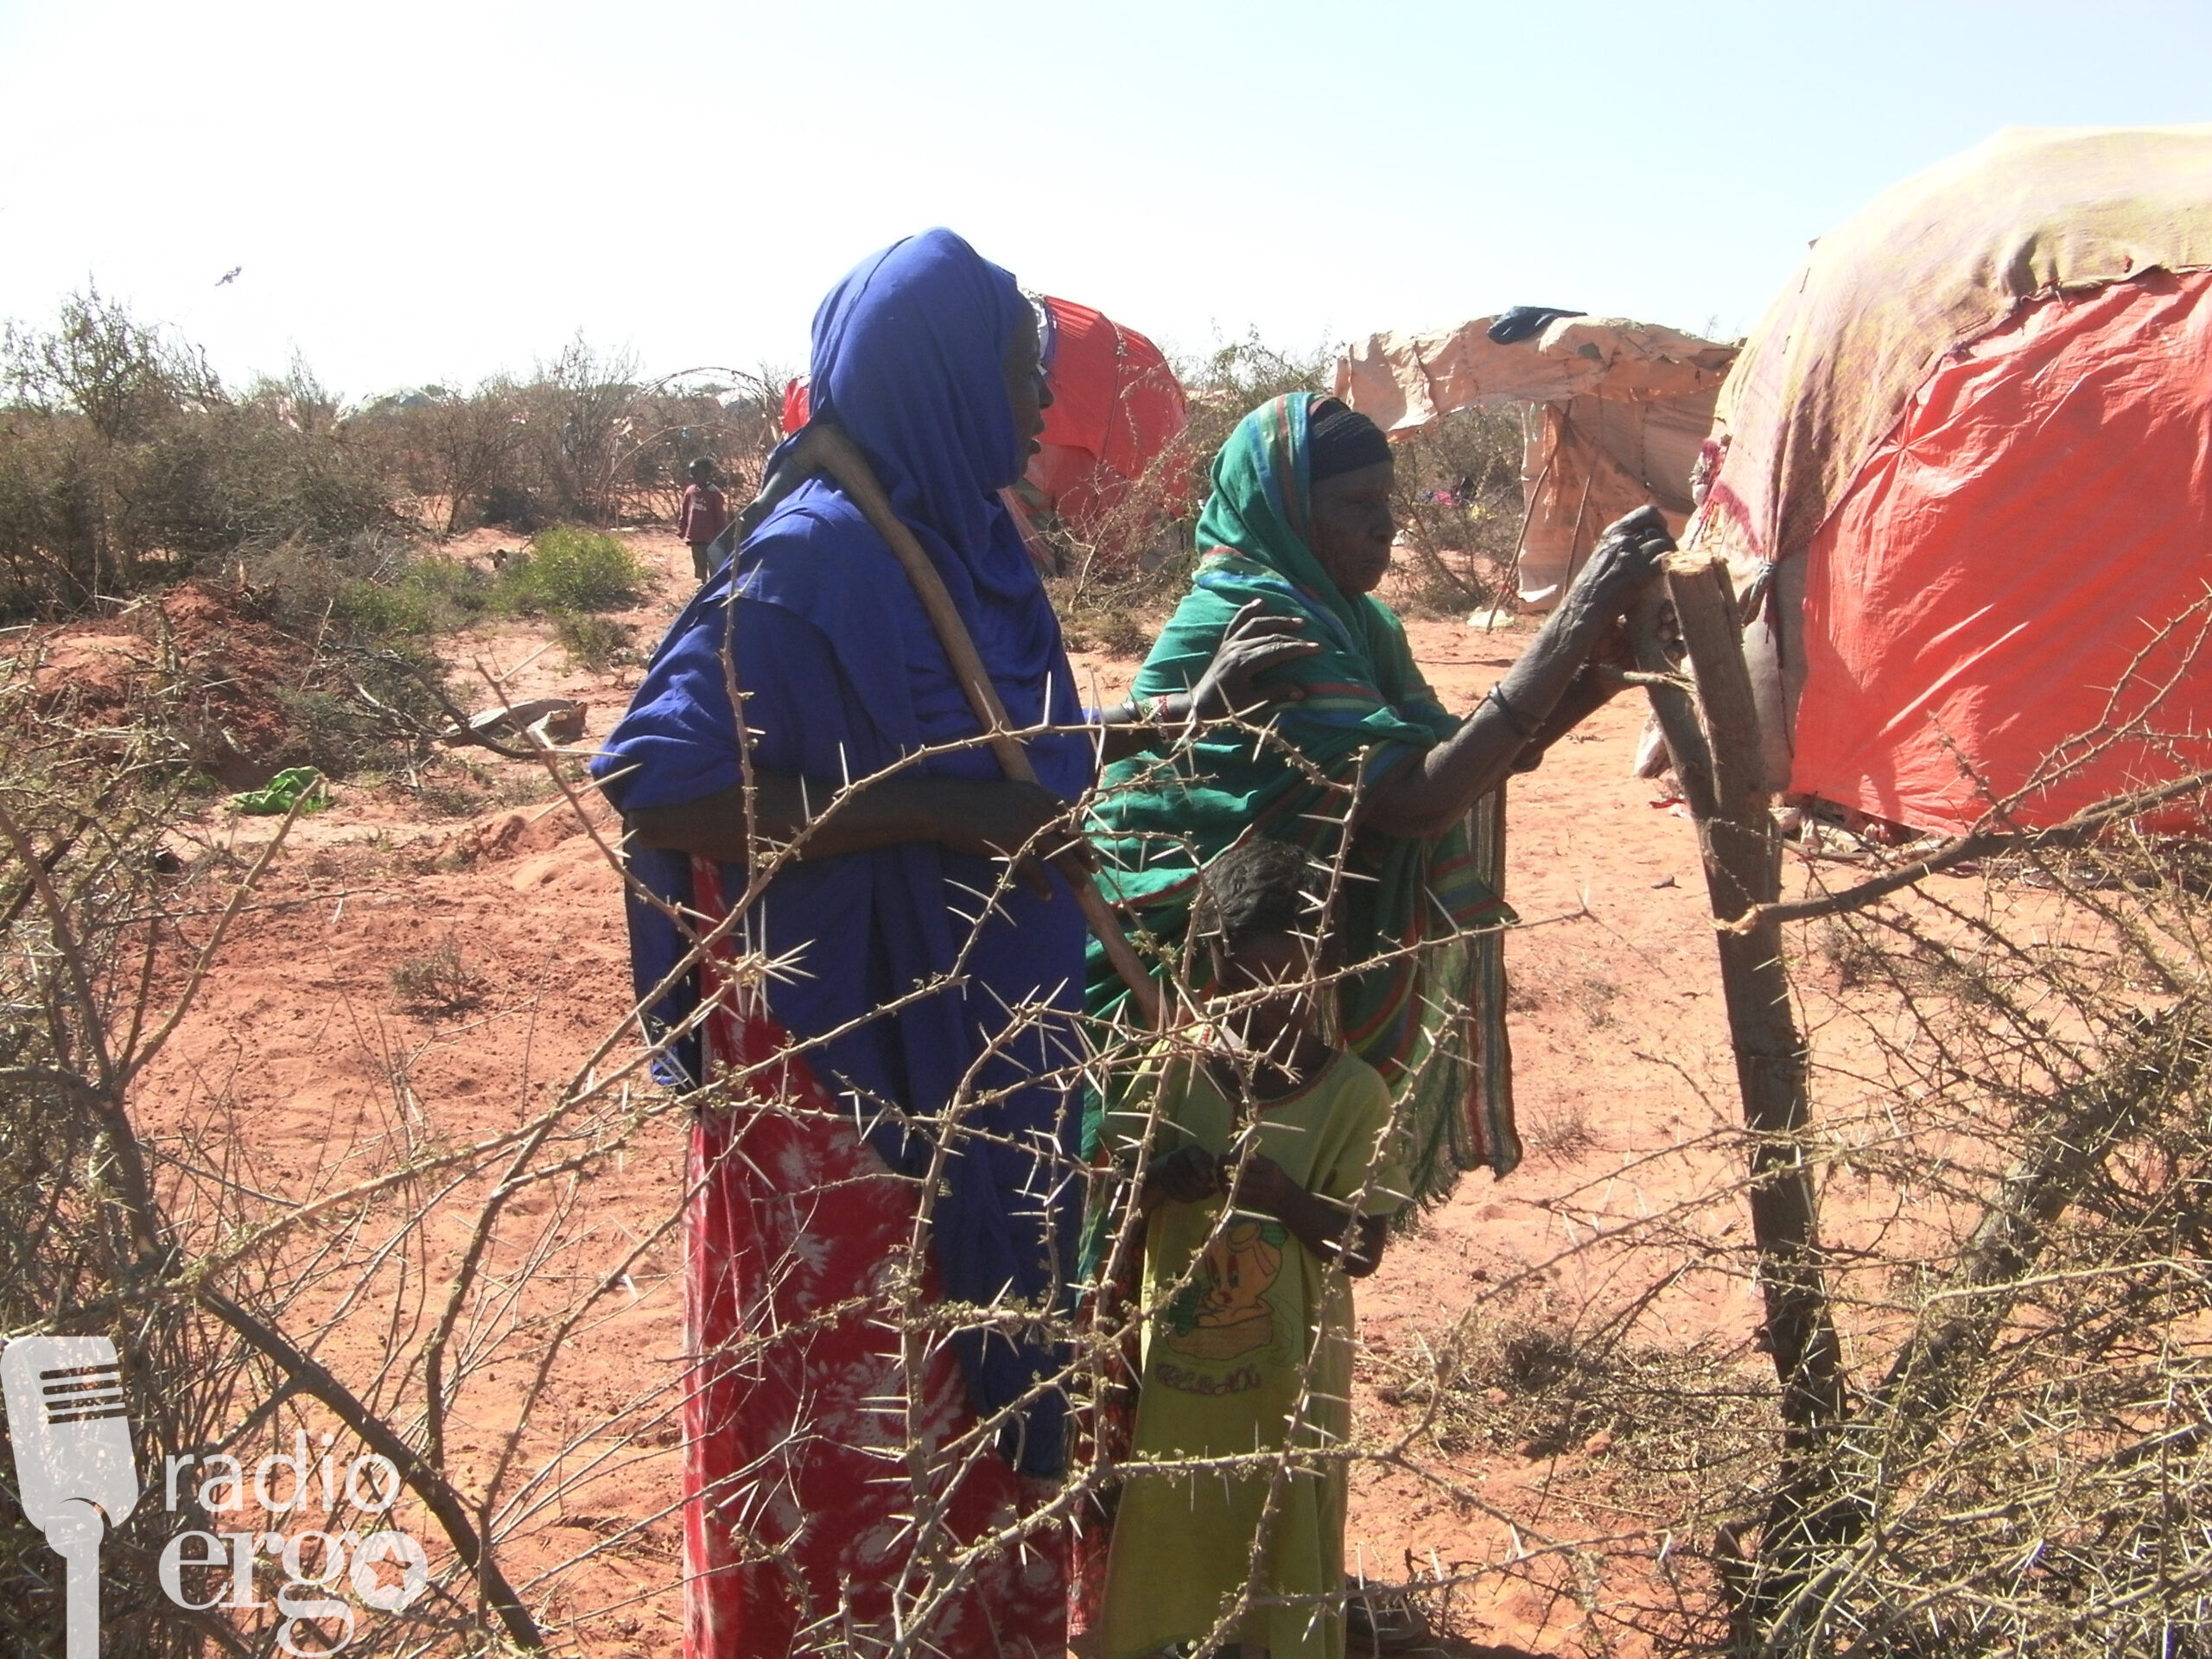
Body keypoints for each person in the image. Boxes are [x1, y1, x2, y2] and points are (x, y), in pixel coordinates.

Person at [591, 230, 1313, 1659]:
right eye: (1015, 370)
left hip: (988, 1043)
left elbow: (1010, 747)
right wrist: (940, 814)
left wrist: (1152, 729)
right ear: (932, 377)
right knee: (866, 1385)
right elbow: (663, 781)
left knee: (989, 1350)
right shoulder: (820, 557)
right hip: (851, 1066)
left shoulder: (967, 545)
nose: (1040, 405)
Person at [1086, 393, 1669, 1213]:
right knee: (1152, 1198)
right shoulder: (1253, 615)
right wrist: (1572, 621)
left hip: (1265, 958)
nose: (1386, 526)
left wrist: (1605, 666)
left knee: (1244, 1220)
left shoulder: (1359, 623)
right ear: (1285, 508)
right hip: (1168, 955)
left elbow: (1475, 757)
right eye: (1356, 506)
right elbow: (1419, 800)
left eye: (1388, 501)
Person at [1096, 837, 1408, 1659]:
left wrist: (1287, 1201)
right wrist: (1163, 1176)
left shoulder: (1354, 1096)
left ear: (1325, 969)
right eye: (1242, 984)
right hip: (1172, 1382)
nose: (1265, 1006)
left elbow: (1364, 1248)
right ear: (1209, 971)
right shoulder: (1167, 1073)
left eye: (1288, 983)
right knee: (1168, 1533)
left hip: (1291, 1385)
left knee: (1282, 1537)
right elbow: (1111, 1215)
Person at [677, 457, 733, 581]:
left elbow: (720, 516)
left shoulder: (714, 494)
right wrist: (682, 527)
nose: (693, 477)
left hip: (710, 537)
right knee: (699, 562)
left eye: (697, 474)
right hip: (695, 535)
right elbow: (685, 511)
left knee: (713, 563)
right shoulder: (690, 491)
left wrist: (722, 535)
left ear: (707, 475)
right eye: (692, 474)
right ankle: (703, 583)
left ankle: (713, 585)